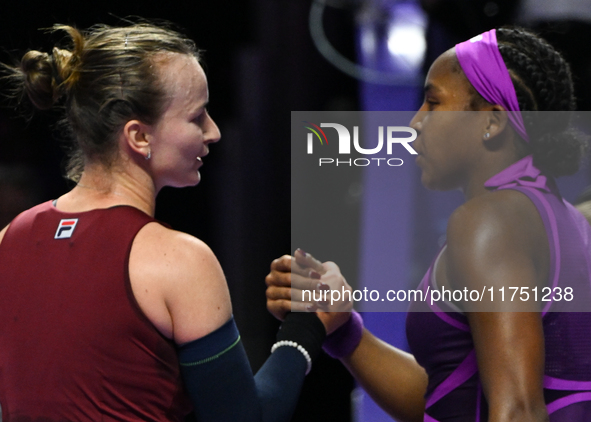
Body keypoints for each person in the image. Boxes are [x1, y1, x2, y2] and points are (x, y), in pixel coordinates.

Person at [0, 22, 327, 421]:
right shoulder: (180, 260)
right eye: (197, 116)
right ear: (139, 136)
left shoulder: (7, 240)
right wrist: (308, 326)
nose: (215, 132)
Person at [266, 27, 591, 422]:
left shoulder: (490, 220)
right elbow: (450, 400)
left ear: (492, 120)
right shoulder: (564, 217)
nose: (415, 123)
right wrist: (345, 331)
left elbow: (518, 411)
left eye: (433, 103)